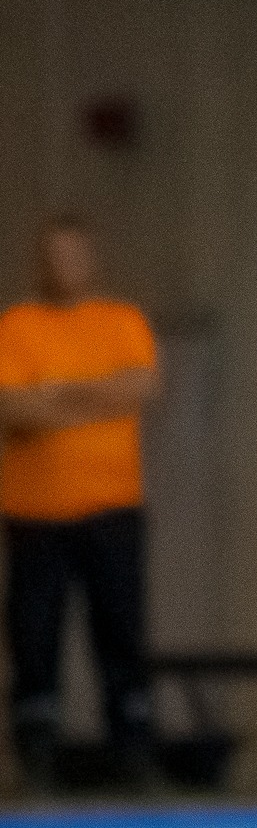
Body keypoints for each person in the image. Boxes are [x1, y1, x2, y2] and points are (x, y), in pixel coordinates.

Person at [0, 216, 163, 791]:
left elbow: (139, 389)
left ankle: (134, 750)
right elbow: (11, 408)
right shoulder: (16, 327)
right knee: (34, 637)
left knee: (120, 631)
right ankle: (37, 755)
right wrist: (96, 395)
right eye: (53, 255)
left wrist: (54, 395)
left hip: (112, 507)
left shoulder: (121, 322)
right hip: (35, 514)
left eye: (74, 255)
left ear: (90, 260)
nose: (63, 266)